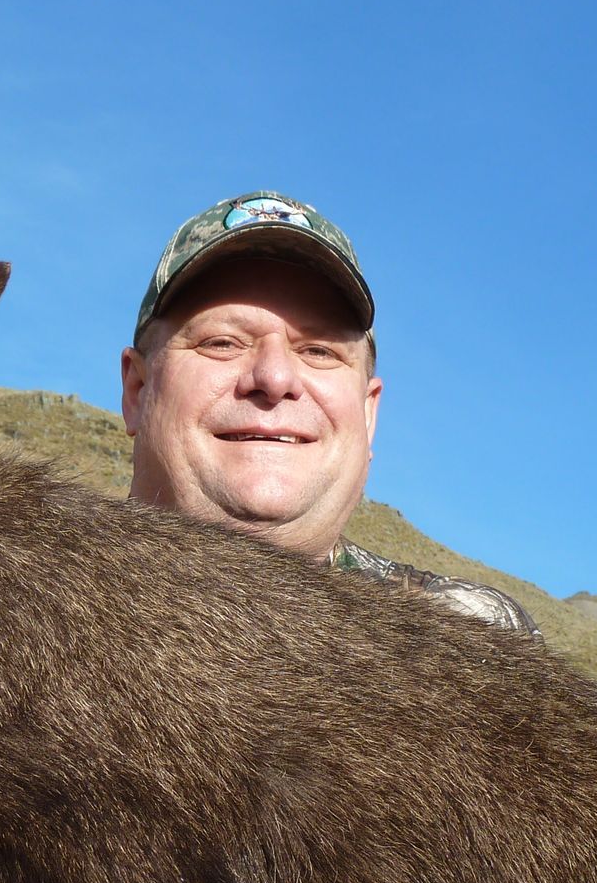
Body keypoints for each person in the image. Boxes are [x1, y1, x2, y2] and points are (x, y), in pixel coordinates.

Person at [121, 191, 538, 638]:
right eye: (222, 343)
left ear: (368, 412)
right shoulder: (38, 599)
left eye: (319, 351)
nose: (275, 377)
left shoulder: (479, 640)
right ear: (137, 390)